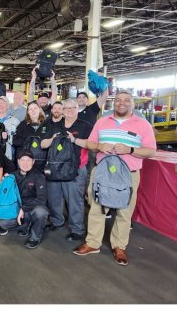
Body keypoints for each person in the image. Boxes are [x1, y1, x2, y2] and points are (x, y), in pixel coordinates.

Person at [73, 89, 157, 265]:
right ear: (114, 102)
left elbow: (151, 151)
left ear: (132, 103)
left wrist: (130, 150)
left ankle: (119, 246)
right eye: (118, 100)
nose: (122, 103)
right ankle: (93, 243)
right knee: (96, 207)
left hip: (128, 175)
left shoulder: (142, 125)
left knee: (124, 211)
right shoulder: (102, 122)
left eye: (126, 100)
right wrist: (99, 146)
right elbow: (90, 143)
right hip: (102, 172)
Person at [40, 97, 93, 241]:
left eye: (73, 108)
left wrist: (74, 140)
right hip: (55, 168)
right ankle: (57, 221)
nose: (69, 111)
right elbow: (43, 144)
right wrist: (53, 139)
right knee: (54, 198)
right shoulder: (54, 125)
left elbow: (92, 145)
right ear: (62, 111)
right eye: (66, 108)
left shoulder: (85, 125)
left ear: (78, 109)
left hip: (75, 169)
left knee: (75, 200)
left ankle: (77, 229)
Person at [0, 149, 49, 248]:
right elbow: (6, 196)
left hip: (32, 208)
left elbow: (42, 199)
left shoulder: (39, 176)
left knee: (41, 212)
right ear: (18, 161)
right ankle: (26, 226)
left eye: (28, 160)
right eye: (23, 160)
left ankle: (34, 238)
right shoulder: (12, 176)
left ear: (33, 162)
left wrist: (23, 208)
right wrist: (4, 184)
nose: (25, 163)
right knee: (3, 223)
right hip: (17, 207)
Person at [12, 100, 47, 167]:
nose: (33, 111)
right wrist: (28, 141)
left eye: (35, 108)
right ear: (28, 112)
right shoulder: (22, 124)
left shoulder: (47, 124)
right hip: (25, 160)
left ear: (39, 110)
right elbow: (15, 141)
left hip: (41, 160)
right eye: (30, 109)